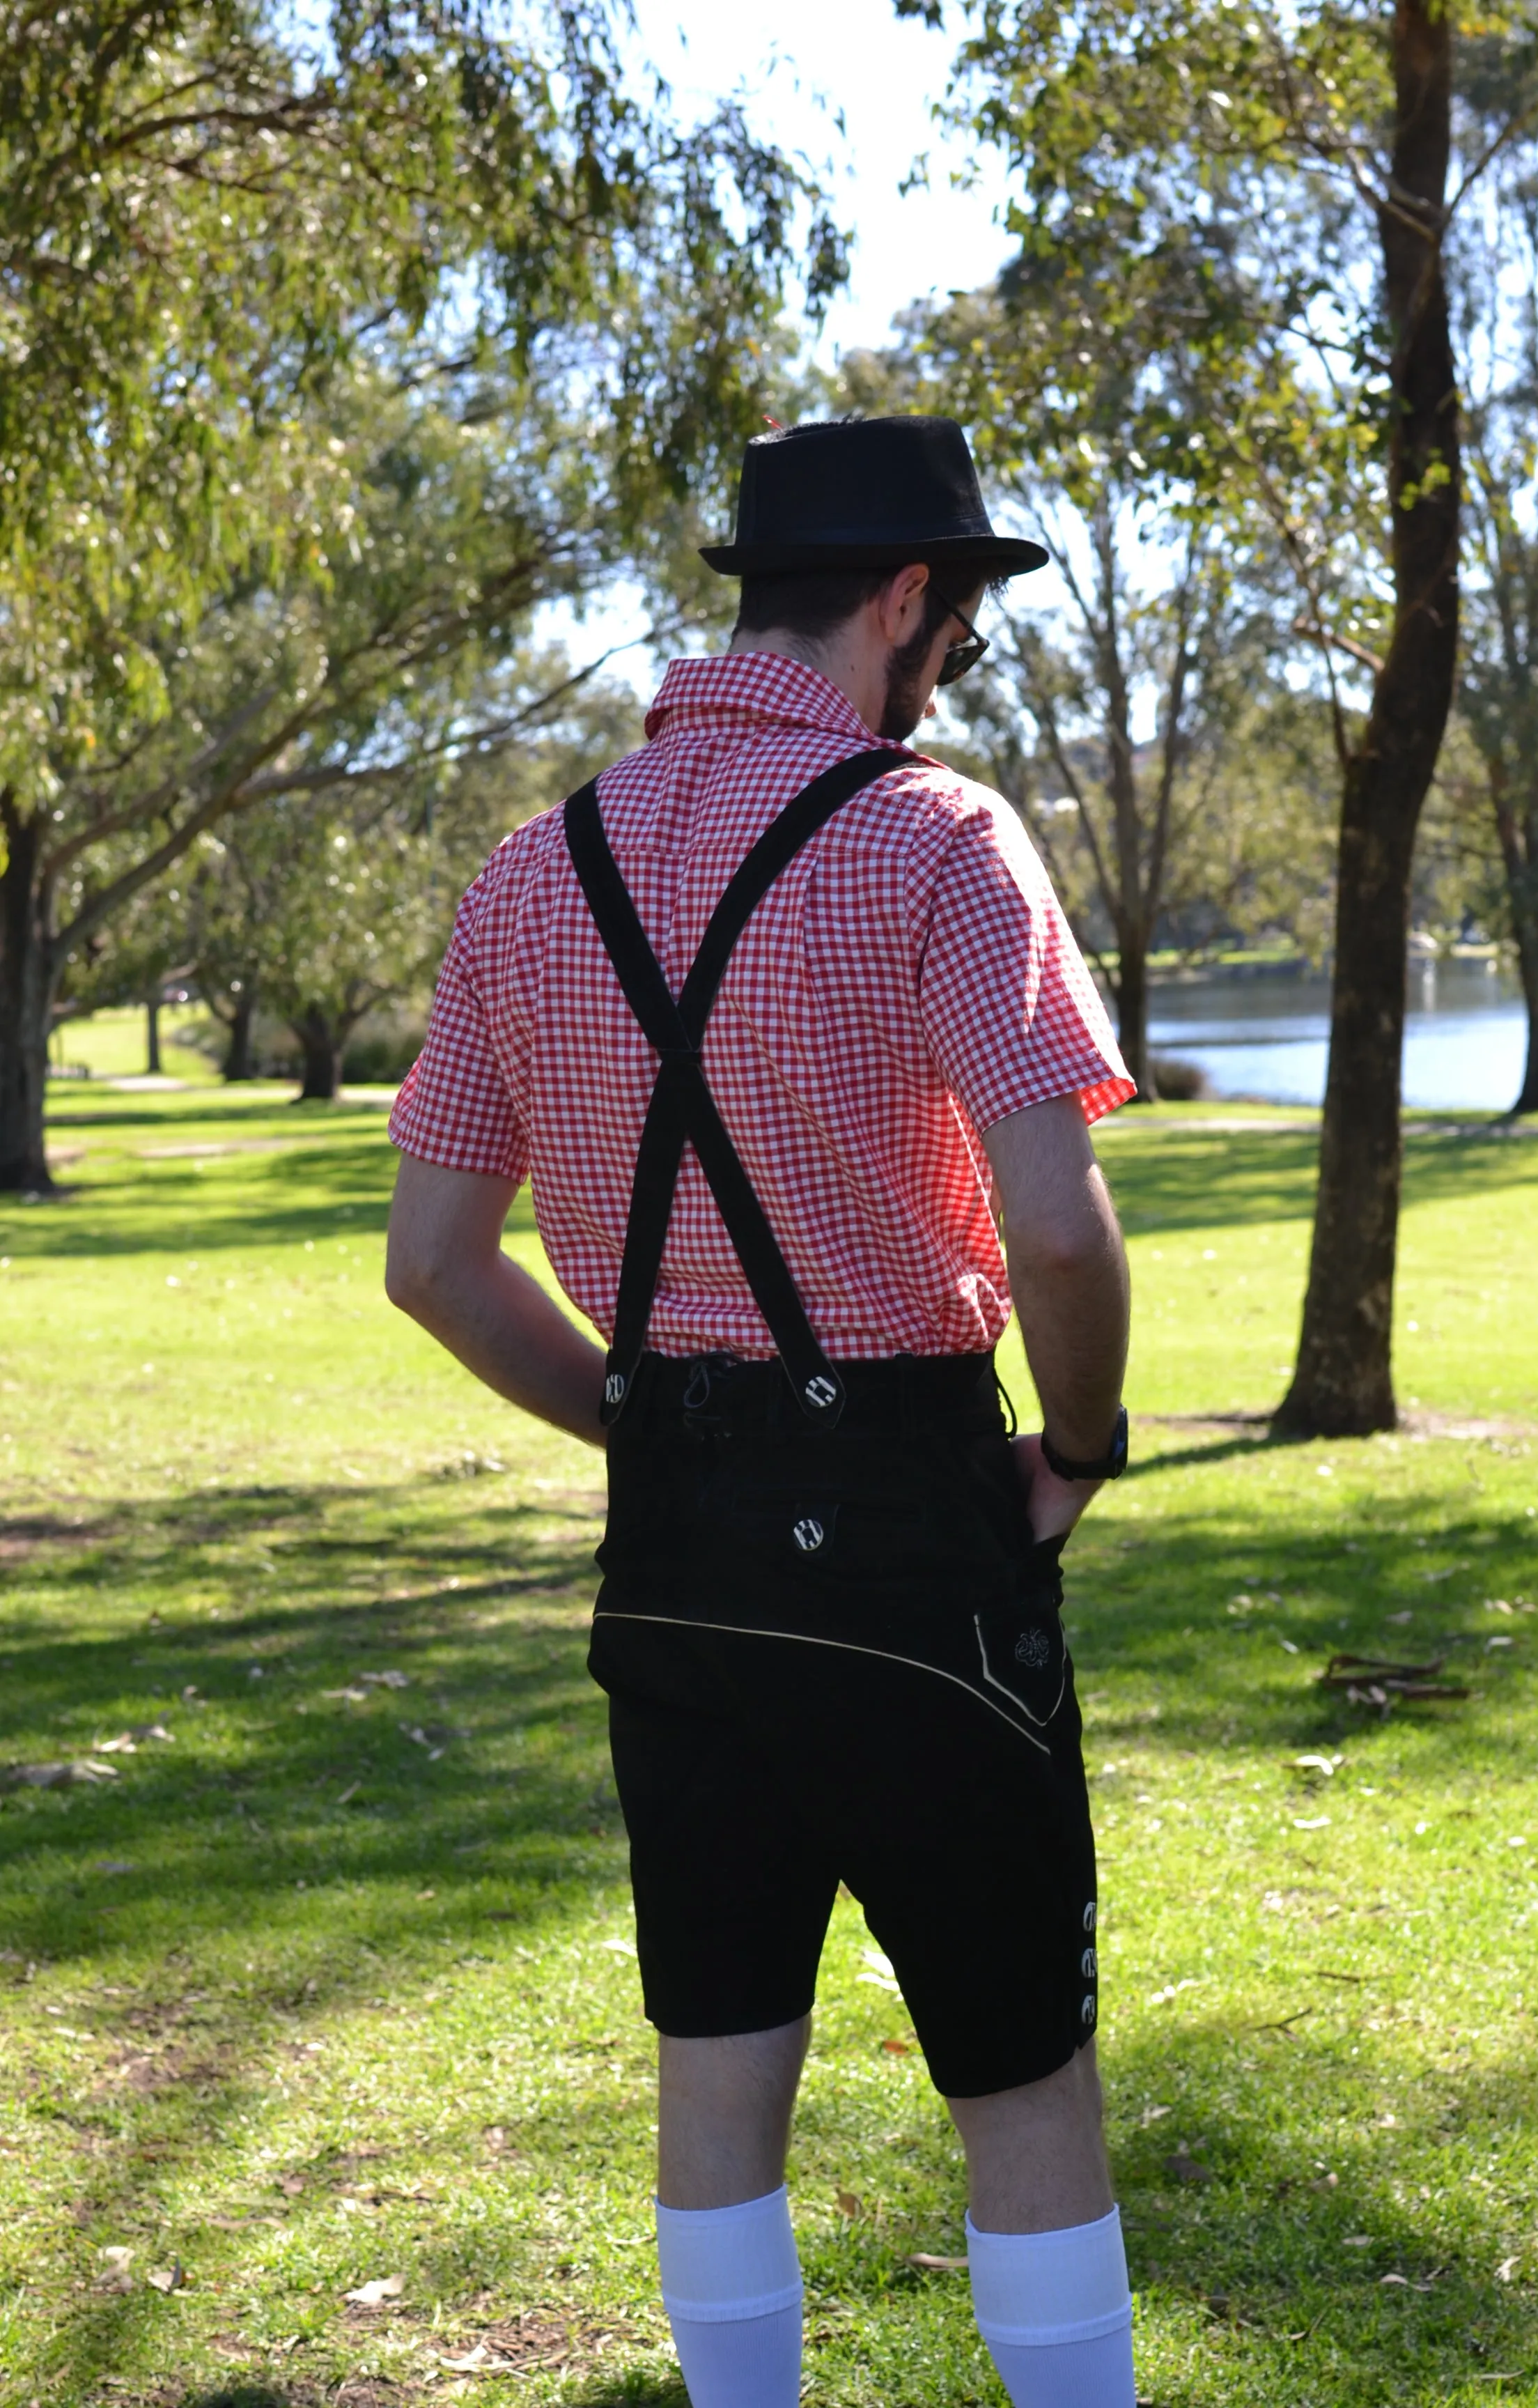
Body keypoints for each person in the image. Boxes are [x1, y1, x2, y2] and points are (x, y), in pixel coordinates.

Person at [385, 414, 1138, 2408]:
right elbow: (1059, 1234)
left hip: (677, 1548)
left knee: (718, 2056)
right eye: (958, 625)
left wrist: (647, 1426)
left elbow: (437, 1266)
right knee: (1020, 2074)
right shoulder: (938, 841)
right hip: (914, 1522)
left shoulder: (533, 872)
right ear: (905, 602)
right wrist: (1075, 1446)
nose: (955, 664)